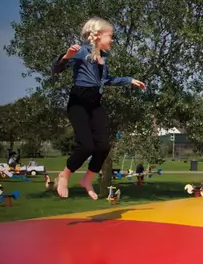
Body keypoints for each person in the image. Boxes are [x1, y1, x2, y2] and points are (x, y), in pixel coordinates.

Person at [51, 17, 146, 199]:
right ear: (97, 36)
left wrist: (128, 80)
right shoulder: (81, 52)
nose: (112, 40)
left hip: (95, 103)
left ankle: (87, 179)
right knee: (86, 146)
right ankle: (65, 175)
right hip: (79, 102)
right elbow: (56, 69)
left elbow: (105, 81)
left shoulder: (103, 57)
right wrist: (66, 57)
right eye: (110, 36)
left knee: (103, 145)